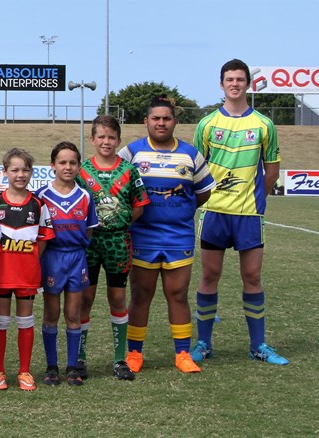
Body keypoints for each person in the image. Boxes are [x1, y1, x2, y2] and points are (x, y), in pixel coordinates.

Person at [191, 59, 289, 365]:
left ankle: (258, 345)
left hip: (249, 214)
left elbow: (272, 172)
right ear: (221, 84)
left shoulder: (263, 124)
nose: (234, 84)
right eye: (229, 79)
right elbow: (197, 169)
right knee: (210, 275)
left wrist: (256, 198)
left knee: (252, 276)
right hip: (214, 212)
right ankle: (203, 344)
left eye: (240, 79)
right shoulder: (207, 124)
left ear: (248, 83)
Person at [118, 96, 215, 374]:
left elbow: (203, 192)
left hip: (178, 236)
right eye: (156, 118)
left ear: (175, 122)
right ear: (146, 121)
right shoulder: (131, 153)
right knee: (141, 295)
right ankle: (134, 353)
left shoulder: (191, 155)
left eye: (167, 118)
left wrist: (179, 212)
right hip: (142, 235)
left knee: (178, 294)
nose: (161, 123)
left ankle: (183, 354)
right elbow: (116, 185)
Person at [76, 115, 150, 381]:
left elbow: (139, 205)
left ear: (118, 140)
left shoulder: (129, 171)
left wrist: (119, 222)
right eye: (101, 137)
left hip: (118, 243)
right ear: (92, 139)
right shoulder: (82, 171)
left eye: (111, 137)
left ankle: (120, 359)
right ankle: (79, 358)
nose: (106, 142)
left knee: (117, 299)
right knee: (85, 299)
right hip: (89, 243)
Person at [0, 148, 53, 392]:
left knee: (25, 320)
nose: (20, 174)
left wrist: (29, 258)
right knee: (0, 320)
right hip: (0, 272)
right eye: (14, 170)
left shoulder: (38, 204)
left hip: (27, 273)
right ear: (5, 172)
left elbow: (43, 239)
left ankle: (24, 371)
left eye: (25, 170)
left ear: (31, 172)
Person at [36, 142, 98, 386]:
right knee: (51, 313)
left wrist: (77, 247)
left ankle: (72, 367)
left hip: (76, 257)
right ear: (52, 165)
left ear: (79, 166)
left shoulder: (85, 196)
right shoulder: (42, 196)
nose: (68, 167)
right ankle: (52, 367)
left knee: (73, 314)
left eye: (73, 162)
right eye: (62, 162)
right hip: (51, 257)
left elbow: (89, 231)